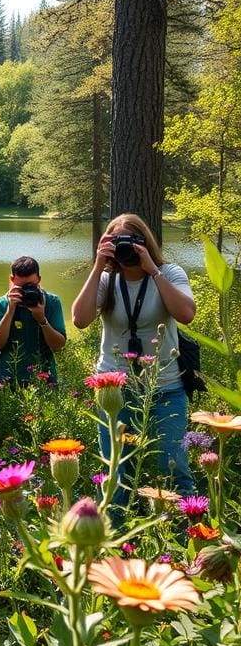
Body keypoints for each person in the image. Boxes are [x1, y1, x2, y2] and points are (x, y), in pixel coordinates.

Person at [71, 213, 196, 503]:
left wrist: (153, 270)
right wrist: (99, 265)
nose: (125, 250)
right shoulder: (107, 279)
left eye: (131, 242)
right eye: (118, 243)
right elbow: (79, 319)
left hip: (165, 387)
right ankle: (119, 541)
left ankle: (184, 534)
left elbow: (186, 314)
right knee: (116, 469)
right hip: (115, 388)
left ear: (145, 243)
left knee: (173, 465)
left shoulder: (170, 273)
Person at [0, 256, 66, 386]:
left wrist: (42, 320)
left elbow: (58, 346)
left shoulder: (51, 302)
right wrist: (10, 310)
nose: (27, 292)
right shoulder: (0, 304)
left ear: (39, 280)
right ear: (12, 280)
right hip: (8, 380)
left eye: (31, 286)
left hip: (45, 380)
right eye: (21, 287)